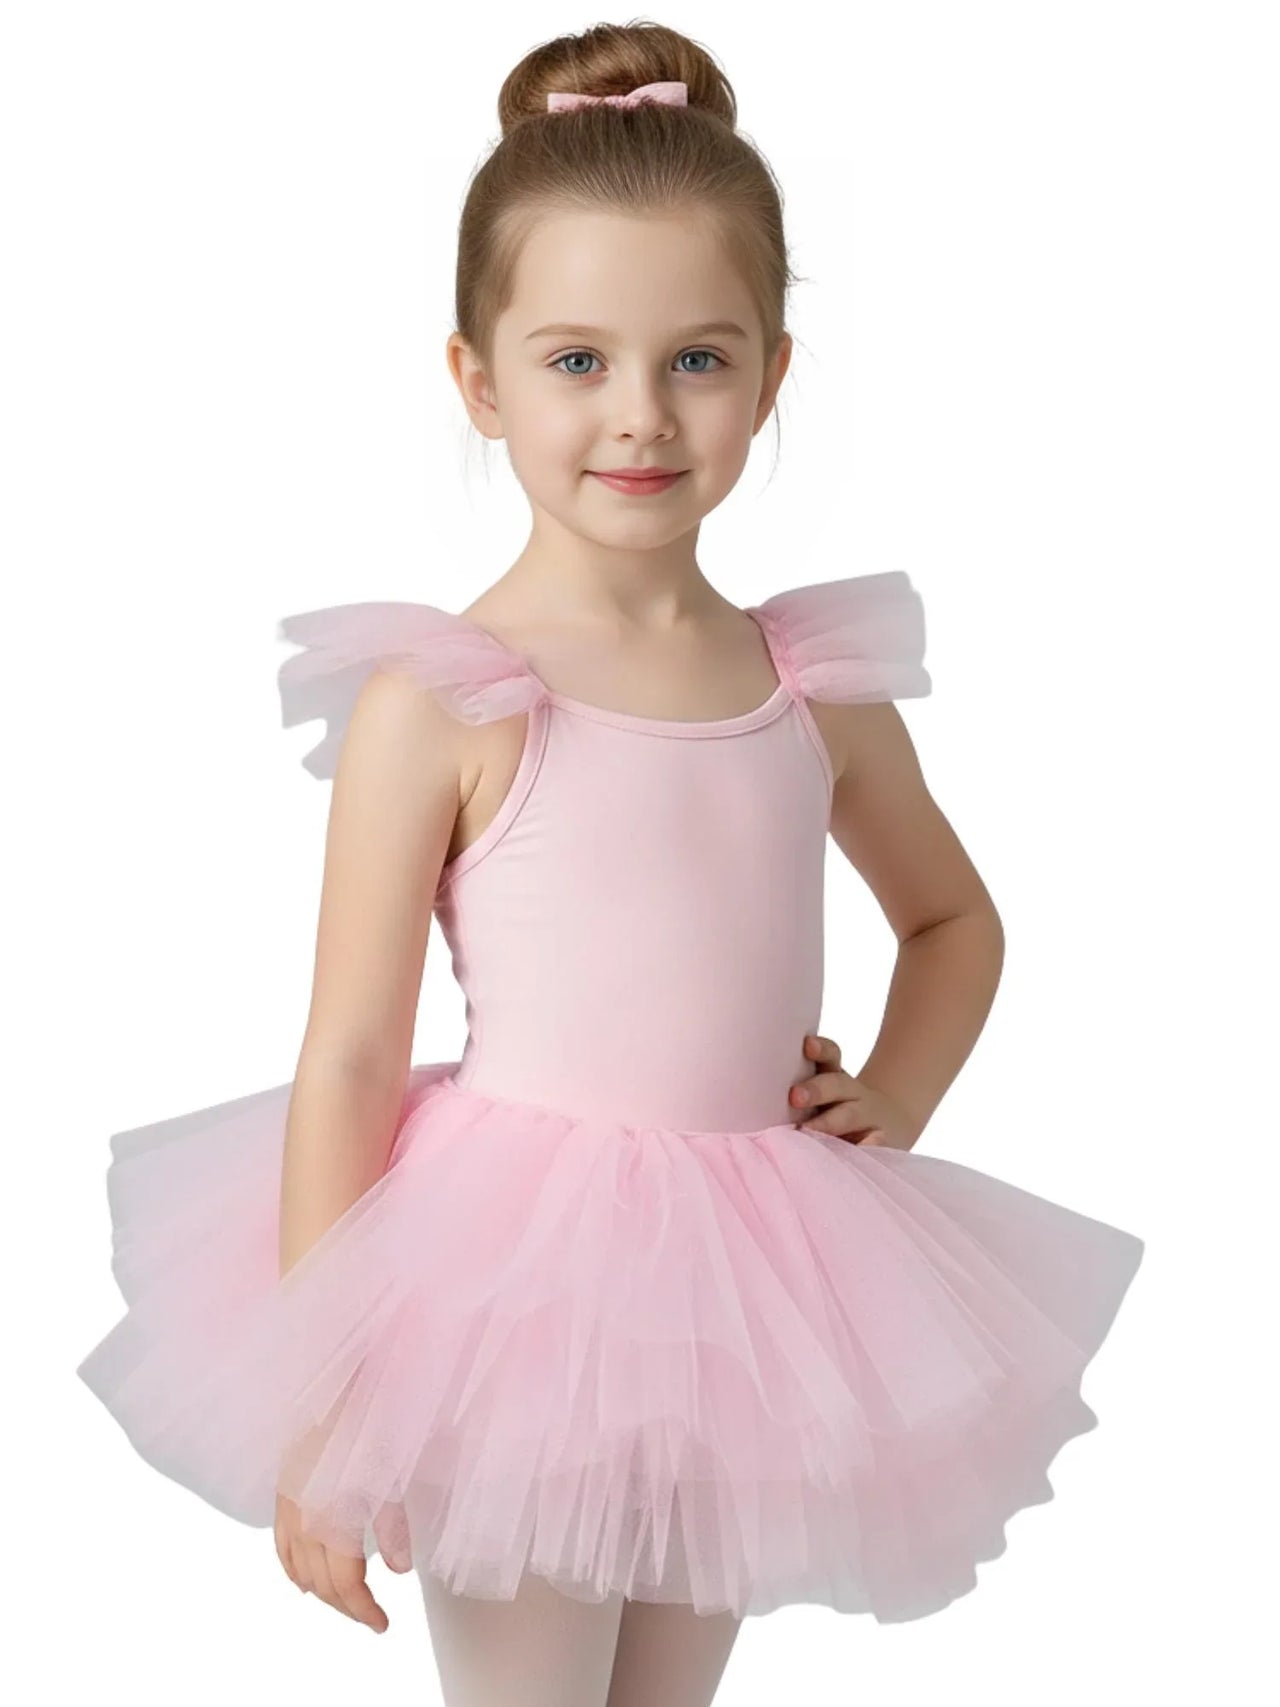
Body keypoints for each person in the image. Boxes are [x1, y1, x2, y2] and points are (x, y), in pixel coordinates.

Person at [75, 20, 1145, 1707]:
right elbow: (349, 1055)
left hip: (750, 1286)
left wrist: (898, 1100)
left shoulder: (812, 689)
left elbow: (952, 920)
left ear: (773, 373)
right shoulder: (444, 701)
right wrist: (320, 1399)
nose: (640, 416)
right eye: (576, 361)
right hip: (518, 1293)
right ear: (478, 379)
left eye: (697, 361)